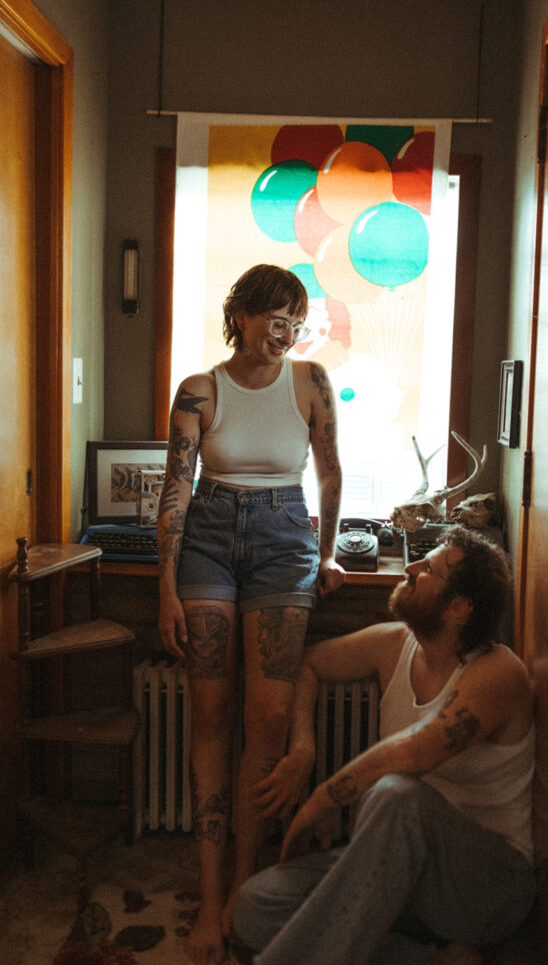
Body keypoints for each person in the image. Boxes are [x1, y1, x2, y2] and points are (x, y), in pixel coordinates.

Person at [232, 524, 535, 965]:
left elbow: (415, 752)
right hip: (401, 874)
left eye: (428, 568)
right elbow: (308, 665)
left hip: (485, 888)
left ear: (459, 607)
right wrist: (303, 749)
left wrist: (322, 797)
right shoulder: (396, 645)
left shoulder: (497, 672)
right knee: (254, 906)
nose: (411, 567)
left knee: (397, 795)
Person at [157, 264, 346, 964]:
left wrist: (325, 555)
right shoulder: (200, 389)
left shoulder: (311, 382)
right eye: (273, 314)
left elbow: (327, 470)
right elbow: (176, 488)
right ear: (240, 316)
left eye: (294, 317)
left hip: (284, 538)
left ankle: (243, 886)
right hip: (206, 536)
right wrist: (166, 588)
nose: (285, 329)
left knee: (266, 720)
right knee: (209, 713)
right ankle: (208, 900)